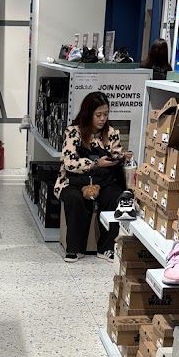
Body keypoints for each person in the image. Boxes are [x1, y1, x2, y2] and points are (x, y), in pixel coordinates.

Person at [54, 91, 129, 262]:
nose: (102, 118)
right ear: (89, 114)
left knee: (116, 198)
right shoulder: (73, 132)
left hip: (104, 180)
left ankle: (108, 247)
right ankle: (74, 248)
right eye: (98, 115)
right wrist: (95, 164)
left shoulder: (111, 132)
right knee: (74, 198)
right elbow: (69, 163)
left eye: (106, 114)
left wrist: (120, 157)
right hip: (73, 181)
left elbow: (116, 154)